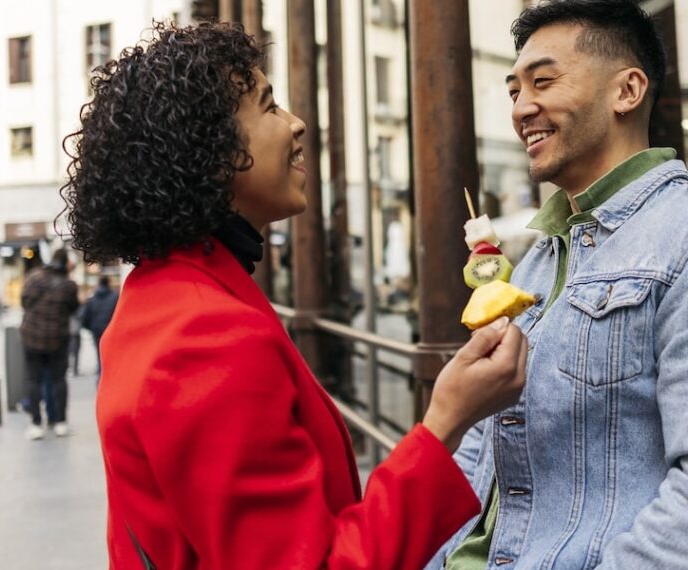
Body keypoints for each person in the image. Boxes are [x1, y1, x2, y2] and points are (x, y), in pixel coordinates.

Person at [60, 22, 528, 569]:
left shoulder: (160, 297)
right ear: (211, 153)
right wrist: (445, 420)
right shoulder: (203, 336)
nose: (296, 123)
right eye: (269, 107)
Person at [428, 3, 688, 568]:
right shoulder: (534, 264)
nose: (522, 107)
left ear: (627, 90)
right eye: (514, 91)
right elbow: (483, 450)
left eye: (543, 81)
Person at [19, 249, 79, 440]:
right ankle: (60, 422)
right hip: (57, 339)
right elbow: (73, 308)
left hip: (32, 337)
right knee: (58, 380)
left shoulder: (34, 277)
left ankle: (36, 424)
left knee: (33, 381)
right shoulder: (69, 285)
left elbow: (24, 301)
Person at [79, 275, 118, 377]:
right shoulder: (115, 297)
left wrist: (90, 327)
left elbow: (85, 316)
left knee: (99, 353)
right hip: (110, 329)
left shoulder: (92, 299)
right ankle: (106, 374)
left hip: (96, 330)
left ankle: (101, 374)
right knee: (110, 355)